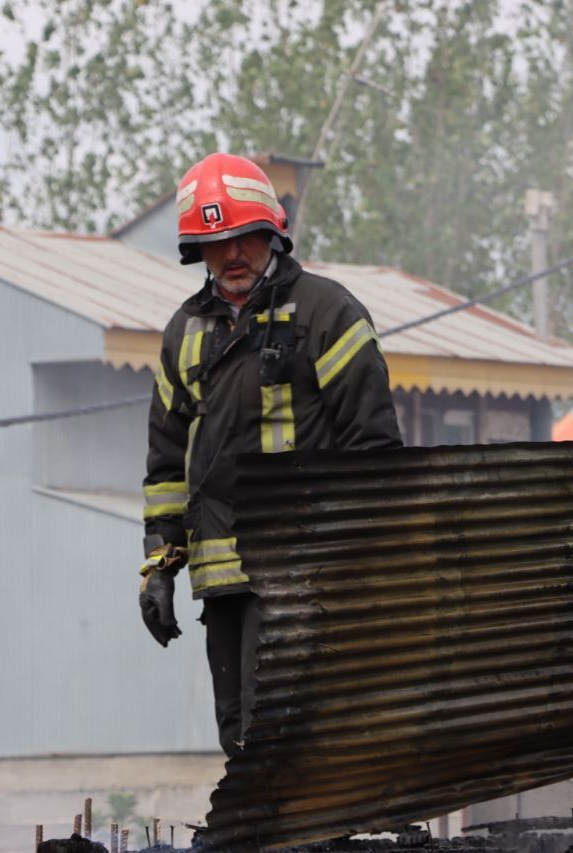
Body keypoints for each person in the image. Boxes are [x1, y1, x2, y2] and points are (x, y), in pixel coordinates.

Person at [138, 153, 402, 756]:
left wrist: (356, 561)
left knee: (283, 735)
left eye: (244, 238)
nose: (232, 255)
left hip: (300, 573)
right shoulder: (184, 333)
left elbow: (375, 452)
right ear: (196, 252)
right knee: (241, 736)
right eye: (216, 243)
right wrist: (159, 568)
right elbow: (166, 464)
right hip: (222, 578)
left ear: (273, 233)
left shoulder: (326, 313)